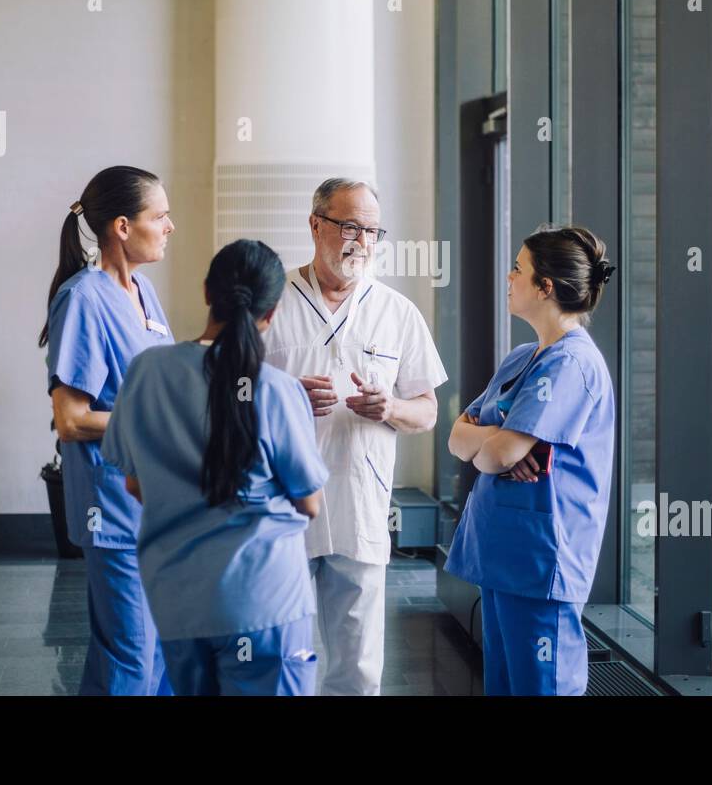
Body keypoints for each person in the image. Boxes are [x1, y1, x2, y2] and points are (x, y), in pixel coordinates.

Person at [101, 239, 328, 695]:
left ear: (207, 292)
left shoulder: (146, 372)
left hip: (180, 601)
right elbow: (310, 503)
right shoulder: (278, 389)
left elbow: (134, 483)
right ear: (272, 312)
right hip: (265, 601)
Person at [263, 177, 448, 695]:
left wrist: (391, 406)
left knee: (359, 663)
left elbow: (427, 411)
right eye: (349, 226)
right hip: (280, 505)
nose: (361, 241)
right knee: (275, 654)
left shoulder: (397, 313)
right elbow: (222, 397)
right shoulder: (267, 301)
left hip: (360, 507)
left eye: (372, 230)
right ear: (315, 224)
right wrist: (282, 398)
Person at [444, 225, 616, 696]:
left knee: (543, 686)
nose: (509, 276)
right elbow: (457, 440)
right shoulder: (523, 357)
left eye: (518, 269)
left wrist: (495, 445)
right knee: (504, 684)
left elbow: (492, 455)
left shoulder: (572, 364)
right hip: (503, 554)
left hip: (542, 560)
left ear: (546, 287)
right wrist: (501, 442)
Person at [39, 165, 175, 695]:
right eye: (159, 216)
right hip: (114, 508)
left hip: (157, 504)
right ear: (122, 226)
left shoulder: (143, 293)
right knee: (133, 651)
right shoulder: (83, 298)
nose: (170, 226)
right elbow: (71, 419)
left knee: (156, 651)